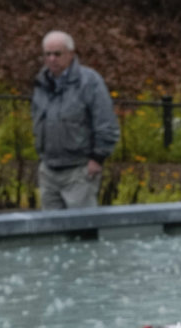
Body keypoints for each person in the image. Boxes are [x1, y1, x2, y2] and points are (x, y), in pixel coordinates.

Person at [31, 31, 120, 211]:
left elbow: (106, 122)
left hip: (79, 171)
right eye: (47, 54)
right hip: (48, 170)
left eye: (57, 54)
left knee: (83, 230)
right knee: (51, 232)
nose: (52, 59)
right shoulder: (41, 82)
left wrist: (97, 159)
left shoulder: (89, 81)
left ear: (71, 54)